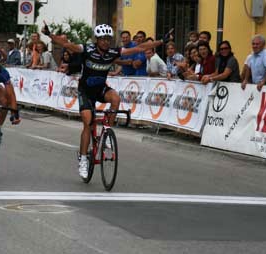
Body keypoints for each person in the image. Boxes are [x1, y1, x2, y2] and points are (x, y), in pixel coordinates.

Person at [42, 23, 170, 179]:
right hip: (86, 91)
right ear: (97, 39)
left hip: (101, 88)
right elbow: (67, 44)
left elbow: (139, 48)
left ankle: (107, 130)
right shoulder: (87, 49)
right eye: (103, 39)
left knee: (115, 97)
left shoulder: (113, 52)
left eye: (108, 39)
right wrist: (50, 35)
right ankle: (83, 158)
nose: (106, 42)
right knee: (88, 124)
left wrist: (161, 42)